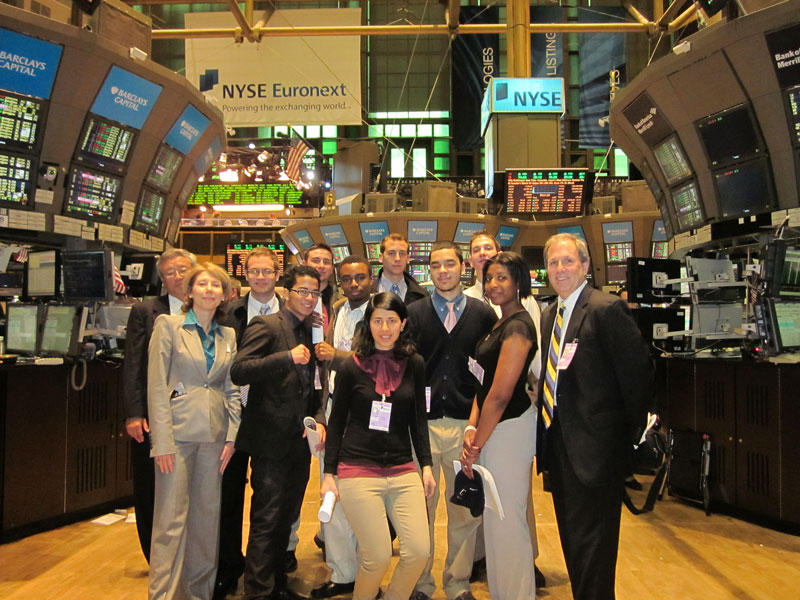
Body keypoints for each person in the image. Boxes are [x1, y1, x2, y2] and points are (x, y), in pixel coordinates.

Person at [536, 233, 653, 600]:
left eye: (568, 261)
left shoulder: (605, 309)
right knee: (574, 543)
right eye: (553, 263)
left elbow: (638, 378)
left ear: (585, 266)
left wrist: (621, 441)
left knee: (596, 550)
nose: (560, 269)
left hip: (597, 453)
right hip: (559, 448)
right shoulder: (549, 314)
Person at [321, 292, 436, 600]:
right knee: (378, 556)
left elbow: (418, 420)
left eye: (391, 321)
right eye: (377, 321)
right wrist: (328, 473)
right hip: (358, 468)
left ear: (403, 324)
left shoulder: (415, 364)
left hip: (402, 468)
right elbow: (337, 422)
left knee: (418, 551)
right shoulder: (350, 367)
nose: (384, 328)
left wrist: (426, 466)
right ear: (367, 324)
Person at [407, 241, 496, 600]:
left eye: (449, 264)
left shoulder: (483, 314)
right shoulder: (413, 313)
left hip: (465, 426)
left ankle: (458, 583)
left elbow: (488, 372)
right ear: (429, 271)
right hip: (422, 427)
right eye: (435, 265)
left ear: (463, 267)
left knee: (463, 509)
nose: (443, 271)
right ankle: (420, 583)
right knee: (419, 510)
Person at [147, 263, 241, 600]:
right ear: (189, 291)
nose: (209, 290)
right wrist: (162, 442)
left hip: (214, 439)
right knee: (170, 526)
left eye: (216, 284)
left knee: (206, 524)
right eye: (202, 284)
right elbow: (157, 386)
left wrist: (232, 437)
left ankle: (198, 594)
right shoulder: (168, 326)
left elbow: (232, 390)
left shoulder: (227, 335)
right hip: (178, 437)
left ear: (225, 294)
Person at [232, 265, 326, 600]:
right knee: (266, 520)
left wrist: (318, 418)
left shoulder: (310, 331)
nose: (308, 298)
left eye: (314, 293)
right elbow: (240, 370)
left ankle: (276, 586)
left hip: (300, 444)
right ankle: (258, 592)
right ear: (286, 292)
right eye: (302, 291)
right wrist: (285, 357)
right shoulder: (267, 325)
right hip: (270, 442)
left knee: (286, 519)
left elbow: (315, 387)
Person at [464, 231, 544, 587]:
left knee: (508, 517)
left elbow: (500, 393)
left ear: (519, 283)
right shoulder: (499, 322)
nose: (494, 284)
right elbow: (483, 385)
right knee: (496, 517)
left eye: (502, 278)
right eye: (490, 278)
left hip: (509, 430)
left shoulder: (519, 326)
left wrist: (476, 442)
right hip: (492, 430)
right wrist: (473, 430)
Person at [215, 246, 283, 599]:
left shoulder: (293, 312)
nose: (260, 277)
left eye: (266, 271)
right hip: (235, 417)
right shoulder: (228, 313)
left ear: (277, 274)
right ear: (244, 274)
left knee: (270, 500)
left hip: (275, 419)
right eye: (254, 271)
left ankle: (268, 573)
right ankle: (228, 566)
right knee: (228, 497)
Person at [123, 248, 196, 563]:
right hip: (155, 415)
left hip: (195, 416)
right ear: (162, 279)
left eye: (182, 270)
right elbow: (134, 363)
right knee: (151, 487)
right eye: (169, 273)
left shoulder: (210, 305)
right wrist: (134, 412)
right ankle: (156, 557)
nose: (177, 277)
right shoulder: (145, 311)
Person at [311, 255, 373, 599]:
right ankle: (341, 572)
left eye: (360, 278)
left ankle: (367, 575)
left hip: (368, 417)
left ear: (371, 279)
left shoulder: (382, 313)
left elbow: (382, 358)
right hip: (335, 411)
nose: (353, 285)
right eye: (347, 279)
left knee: (365, 499)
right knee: (330, 491)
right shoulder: (336, 309)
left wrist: (336, 354)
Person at [374, 233, 428, 305]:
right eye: (391, 253)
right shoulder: (366, 293)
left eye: (402, 253)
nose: (397, 259)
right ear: (381, 257)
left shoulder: (423, 297)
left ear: (408, 259)